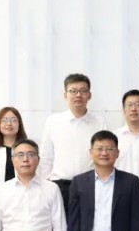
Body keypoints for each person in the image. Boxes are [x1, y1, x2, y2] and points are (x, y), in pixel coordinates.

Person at [67, 130, 139, 231]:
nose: (104, 153)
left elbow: (137, 222)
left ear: (117, 153)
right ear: (91, 152)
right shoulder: (79, 182)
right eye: (99, 149)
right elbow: (74, 222)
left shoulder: (131, 182)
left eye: (109, 149)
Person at [38, 74, 108, 211]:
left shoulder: (99, 122)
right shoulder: (54, 121)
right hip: (60, 186)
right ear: (65, 95)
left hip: (91, 185)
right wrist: (48, 184)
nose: (78, 95)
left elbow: (104, 156)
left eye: (83, 91)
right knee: (61, 224)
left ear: (89, 95)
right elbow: (46, 157)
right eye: (73, 91)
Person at [115, 90, 139, 181]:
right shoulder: (114, 137)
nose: (133, 109)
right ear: (123, 110)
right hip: (119, 188)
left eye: (138, 104)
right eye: (129, 105)